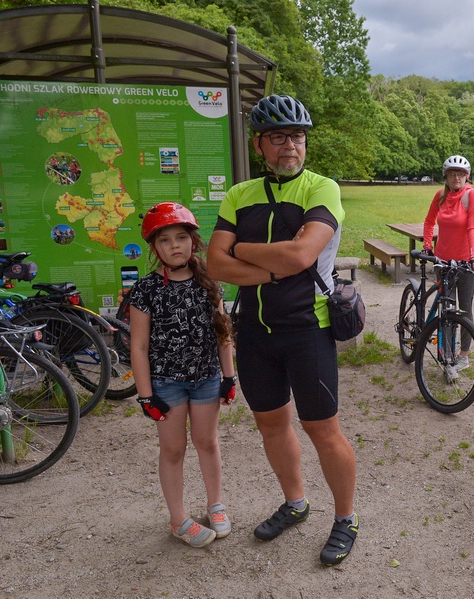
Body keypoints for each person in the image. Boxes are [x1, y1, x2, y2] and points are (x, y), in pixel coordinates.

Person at [206, 94, 358, 567]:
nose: (289, 145)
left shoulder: (321, 188)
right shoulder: (239, 194)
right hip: (254, 331)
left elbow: (301, 256)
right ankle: (296, 502)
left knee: (321, 428)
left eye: (296, 136)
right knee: (271, 423)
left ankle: (345, 519)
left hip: (307, 327)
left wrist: (243, 251)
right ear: (259, 145)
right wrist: (273, 266)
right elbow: (214, 263)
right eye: (278, 137)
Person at [129, 202, 237, 548]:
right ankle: (178, 519)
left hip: (206, 378)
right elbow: (139, 347)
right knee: (173, 449)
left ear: (194, 241)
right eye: (165, 241)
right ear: (155, 248)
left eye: (181, 237)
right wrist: (146, 395)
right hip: (166, 385)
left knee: (207, 442)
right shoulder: (146, 290)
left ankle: (215, 504)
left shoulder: (208, 280)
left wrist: (228, 376)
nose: (174, 246)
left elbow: (223, 332)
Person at [422, 155, 474, 381]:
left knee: (465, 310)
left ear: (467, 176)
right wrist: (428, 245)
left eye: (461, 174)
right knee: (445, 311)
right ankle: (447, 358)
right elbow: (429, 222)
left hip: (466, 261)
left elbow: (472, 227)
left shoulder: (471, 196)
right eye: (452, 174)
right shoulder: (439, 196)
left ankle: (463, 355)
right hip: (443, 261)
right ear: (445, 176)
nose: (456, 177)